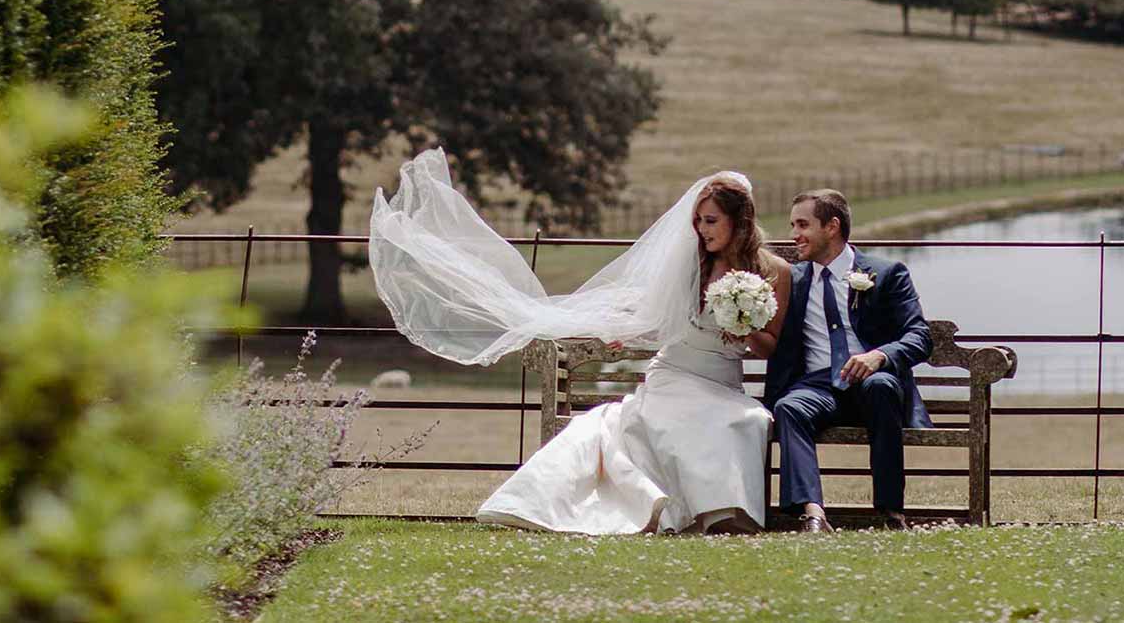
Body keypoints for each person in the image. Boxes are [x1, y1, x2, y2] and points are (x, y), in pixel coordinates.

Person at [366, 152, 786, 535]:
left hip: (724, 384)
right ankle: (668, 511)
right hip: (675, 374)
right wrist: (627, 331)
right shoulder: (691, 265)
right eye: (698, 221)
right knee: (679, 418)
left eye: (710, 221)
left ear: (740, 221)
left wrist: (744, 324)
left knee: (742, 421)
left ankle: (721, 515)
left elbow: (770, 347)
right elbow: (660, 319)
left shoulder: (774, 273)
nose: (700, 230)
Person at [760, 188, 935, 531]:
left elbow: (920, 336)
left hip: (872, 382)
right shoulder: (790, 280)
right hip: (818, 387)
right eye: (792, 225)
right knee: (789, 407)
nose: (794, 235)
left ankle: (890, 512)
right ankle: (813, 513)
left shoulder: (886, 273)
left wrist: (880, 356)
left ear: (832, 226)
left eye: (802, 225)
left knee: (883, 385)